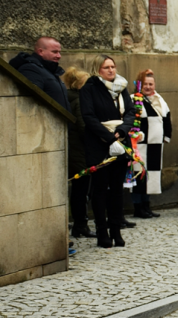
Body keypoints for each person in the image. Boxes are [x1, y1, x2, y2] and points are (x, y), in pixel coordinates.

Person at [80, 55, 135, 248]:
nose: (111, 70)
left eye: (113, 66)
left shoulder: (122, 87)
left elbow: (130, 112)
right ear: (98, 70)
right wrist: (109, 137)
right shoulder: (89, 89)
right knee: (100, 189)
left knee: (117, 190)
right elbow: (88, 116)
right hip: (99, 143)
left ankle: (116, 229)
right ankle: (102, 231)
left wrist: (121, 132)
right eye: (106, 67)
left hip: (121, 141)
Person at [131, 69, 172, 219]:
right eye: (145, 84)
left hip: (155, 144)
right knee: (139, 175)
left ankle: (147, 205)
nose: (148, 87)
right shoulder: (134, 99)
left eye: (151, 84)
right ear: (140, 84)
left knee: (151, 176)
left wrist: (167, 136)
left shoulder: (160, 100)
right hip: (140, 144)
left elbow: (167, 118)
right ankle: (138, 207)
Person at [62, 68, 95, 240]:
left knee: (78, 190)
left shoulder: (68, 96)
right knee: (81, 190)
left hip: (74, 149)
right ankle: (81, 225)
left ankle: (79, 224)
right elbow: (84, 127)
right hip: (80, 151)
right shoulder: (80, 100)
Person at [9, 37, 69, 110]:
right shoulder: (30, 69)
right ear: (41, 51)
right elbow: (32, 103)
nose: (59, 56)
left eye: (59, 52)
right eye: (54, 52)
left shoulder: (49, 70)